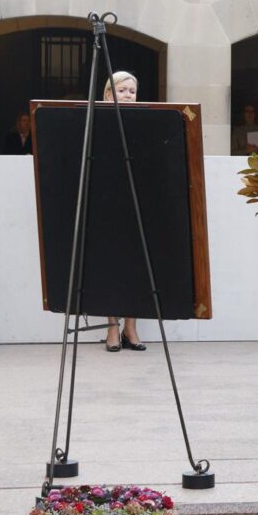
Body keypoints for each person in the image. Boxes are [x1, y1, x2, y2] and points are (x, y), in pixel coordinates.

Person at [100, 71, 146, 353]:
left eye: (132, 90)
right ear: (108, 94)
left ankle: (131, 326)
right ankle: (112, 327)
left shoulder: (144, 119)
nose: (129, 94)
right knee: (109, 265)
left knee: (137, 266)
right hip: (106, 201)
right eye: (123, 90)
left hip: (138, 201)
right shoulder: (97, 120)